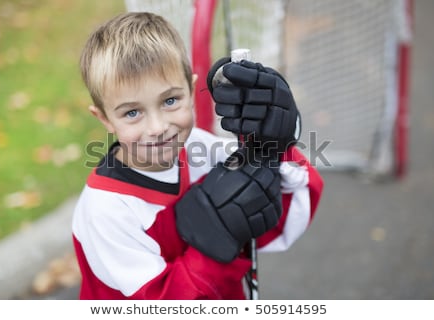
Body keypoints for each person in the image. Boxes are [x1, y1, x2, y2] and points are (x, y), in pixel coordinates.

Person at [72, 11, 324, 300]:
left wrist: (271, 147)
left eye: (170, 100)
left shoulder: (201, 147)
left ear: (191, 91)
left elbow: (277, 224)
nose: (157, 128)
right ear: (104, 118)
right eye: (132, 112)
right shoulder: (106, 211)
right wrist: (214, 247)